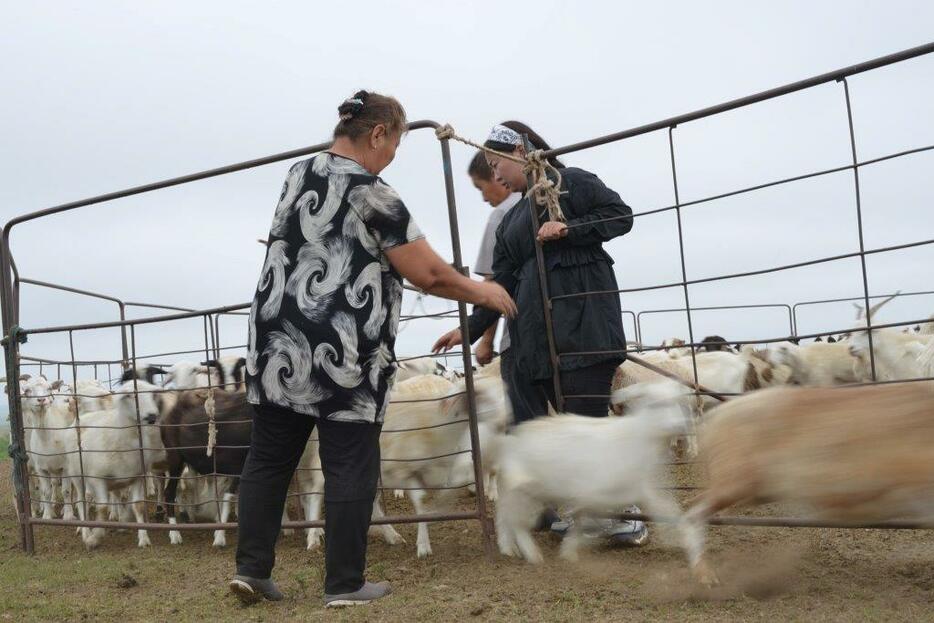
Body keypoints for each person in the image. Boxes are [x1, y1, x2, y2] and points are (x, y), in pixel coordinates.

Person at [230, 91, 516, 609]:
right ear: (379, 133)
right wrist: (485, 292)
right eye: (395, 145)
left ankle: (252, 571)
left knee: (269, 460)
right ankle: (343, 583)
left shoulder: (298, 173)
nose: (392, 158)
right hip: (344, 352)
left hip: (275, 343)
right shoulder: (374, 193)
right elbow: (427, 272)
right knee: (349, 464)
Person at [433, 120, 647, 545]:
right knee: (568, 429)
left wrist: (569, 228)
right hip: (540, 341)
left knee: (589, 424)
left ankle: (624, 514)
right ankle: (593, 512)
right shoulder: (512, 221)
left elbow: (621, 215)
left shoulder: (574, 184)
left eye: (497, 164)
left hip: (584, 329)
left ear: (521, 152)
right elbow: (502, 285)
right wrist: (470, 328)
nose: (495, 176)